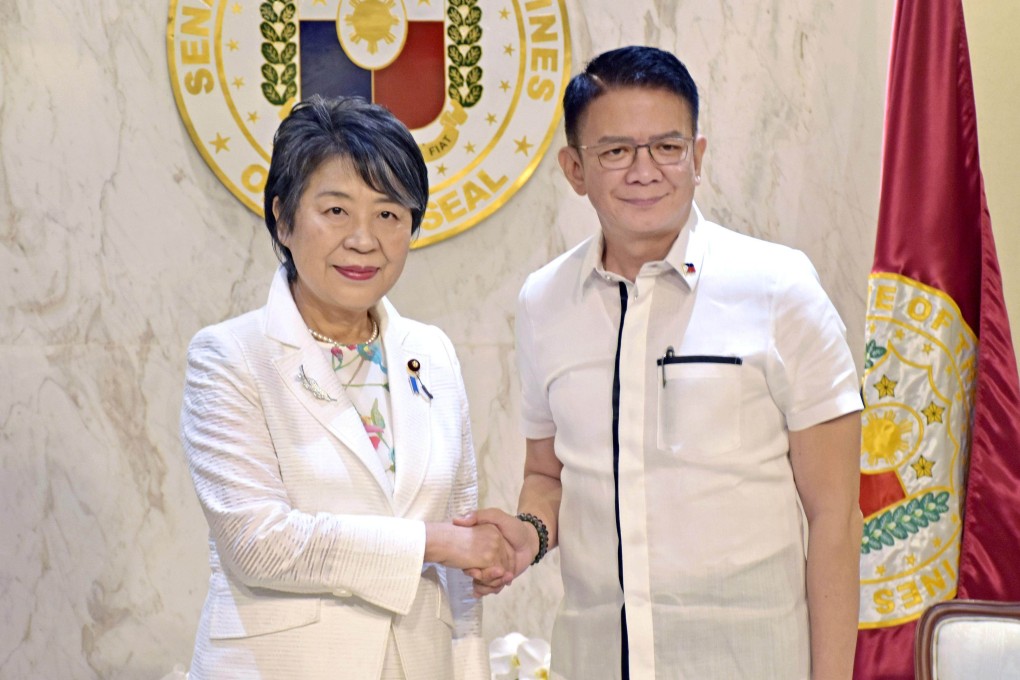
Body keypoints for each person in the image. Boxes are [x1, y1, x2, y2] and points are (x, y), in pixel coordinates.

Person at [463, 46, 864, 679]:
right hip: (595, 662)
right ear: (574, 169)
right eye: (616, 151)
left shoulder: (779, 288)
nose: (644, 171)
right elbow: (548, 475)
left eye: (668, 148)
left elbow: (835, 517)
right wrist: (529, 533)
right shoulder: (544, 302)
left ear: (698, 157)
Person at [180, 95, 508, 680]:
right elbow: (258, 543)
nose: (364, 239)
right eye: (335, 211)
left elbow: (463, 551)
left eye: (389, 214)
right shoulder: (230, 356)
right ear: (283, 217)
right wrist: (428, 543)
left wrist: (470, 666)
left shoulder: (430, 352)